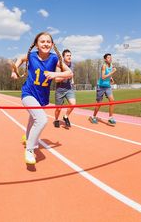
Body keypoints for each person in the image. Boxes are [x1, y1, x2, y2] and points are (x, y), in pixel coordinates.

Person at [11, 32, 73, 164]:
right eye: (42, 41)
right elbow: (20, 59)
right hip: (28, 93)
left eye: (48, 42)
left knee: (32, 120)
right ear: (36, 45)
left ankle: (28, 137)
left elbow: (70, 73)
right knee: (41, 119)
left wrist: (54, 73)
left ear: (52, 44)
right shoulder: (31, 56)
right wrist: (14, 70)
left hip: (42, 96)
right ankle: (30, 149)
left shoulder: (55, 58)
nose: (45, 44)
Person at [88, 53, 117, 125]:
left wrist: (111, 79)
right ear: (105, 59)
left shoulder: (111, 65)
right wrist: (112, 72)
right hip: (100, 87)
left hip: (107, 86)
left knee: (112, 101)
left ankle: (110, 118)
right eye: (108, 58)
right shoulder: (104, 66)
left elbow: (109, 75)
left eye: (111, 57)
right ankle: (93, 116)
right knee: (99, 103)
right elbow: (103, 77)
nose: (110, 59)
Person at [53, 49, 76, 128]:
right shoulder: (59, 65)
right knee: (58, 109)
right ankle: (56, 119)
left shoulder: (72, 65)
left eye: (70, 55)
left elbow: (72, 74)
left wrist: (72, 80)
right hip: (60, 90)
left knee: (73, 104)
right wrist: (66, 76)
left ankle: (65, 116)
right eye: (67, 56)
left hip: (69, 88)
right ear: (63, 57)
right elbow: (56, 79)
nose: (69, 57)